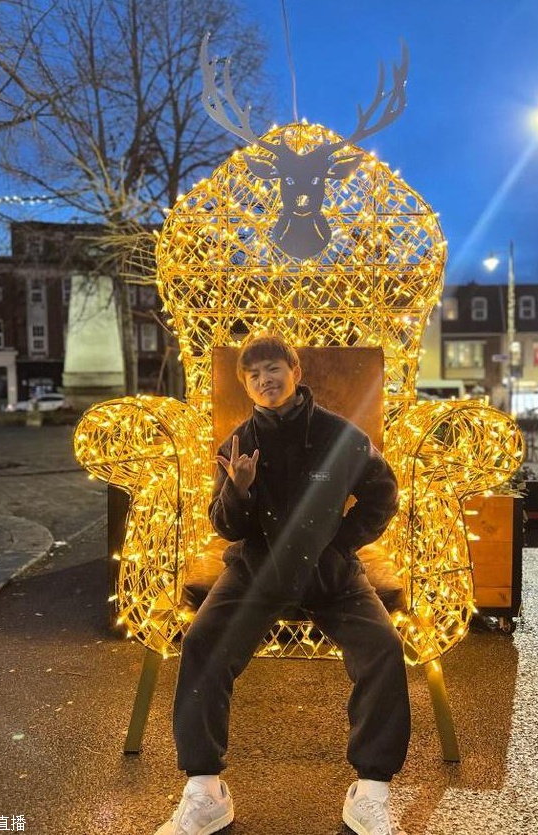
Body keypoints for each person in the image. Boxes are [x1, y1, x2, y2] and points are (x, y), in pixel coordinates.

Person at [154, 334, 410, 835]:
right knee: (204, 641)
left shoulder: (341, 436)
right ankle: (205, 790)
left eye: (272, 368)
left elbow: (383, 493)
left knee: (382, 647)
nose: (264, 380)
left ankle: (371, 792)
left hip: (329, 573)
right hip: (257, 569)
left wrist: (341, 544)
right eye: (253, 375)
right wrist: (239, 489)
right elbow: (226, 527)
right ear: (246, 386)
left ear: (295, 370)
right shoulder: (237, 443)